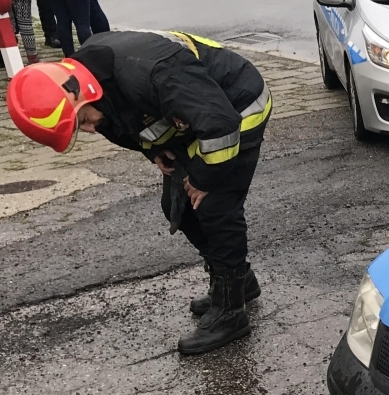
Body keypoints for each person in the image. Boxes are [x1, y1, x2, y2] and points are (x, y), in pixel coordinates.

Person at [5, 30, 272, 354]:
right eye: (80, 128)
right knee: (177, 205)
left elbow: (221, 126)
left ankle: (231, 314)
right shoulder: (89, 78)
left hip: (237, 109)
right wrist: (152, 150)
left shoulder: (151, 72)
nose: (90, 129)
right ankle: (238, 280)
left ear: (80, 93)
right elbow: (127, 120)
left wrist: (203, 178)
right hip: (196, 120)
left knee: (215, 207)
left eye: (83, 121)